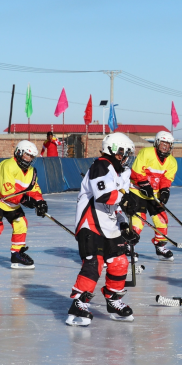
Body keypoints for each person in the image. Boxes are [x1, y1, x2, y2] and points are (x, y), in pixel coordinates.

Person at [67, 133, 139, 326]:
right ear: (114, 151)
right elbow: (103, 195)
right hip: (90, 224)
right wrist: (124, 199)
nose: (126, 158)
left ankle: (113, 299)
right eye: (124, 153)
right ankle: (79, 303)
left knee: (120, 262)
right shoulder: (101, 165)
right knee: (94, 263)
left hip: (109, 225)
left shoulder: (121, 173)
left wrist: (123, 224)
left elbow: (115, 206)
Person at [0, 141, 46, 271]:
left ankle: (17, 254)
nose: (28, 159)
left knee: (21, 223)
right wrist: (25, 200)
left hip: (11, 202)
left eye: (31, 156)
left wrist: (40, 202)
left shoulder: (31, 171)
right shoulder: (7, 165)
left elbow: (33, 188)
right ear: (19, 152)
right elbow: (6, 191)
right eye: (27, 155)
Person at [128, 130, 177, 260]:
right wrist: (144, 185)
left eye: (168, 144)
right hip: (137, 191)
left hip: (154, 195)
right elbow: (136, 171)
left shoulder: (172, 161)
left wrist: (165, 191)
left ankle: (160, 246)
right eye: (163, 143)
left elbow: (167, 179)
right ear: (157, 143)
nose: (165, 146)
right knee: (138, 220)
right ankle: (128, 246)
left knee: (162, 220)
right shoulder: (146, 153)